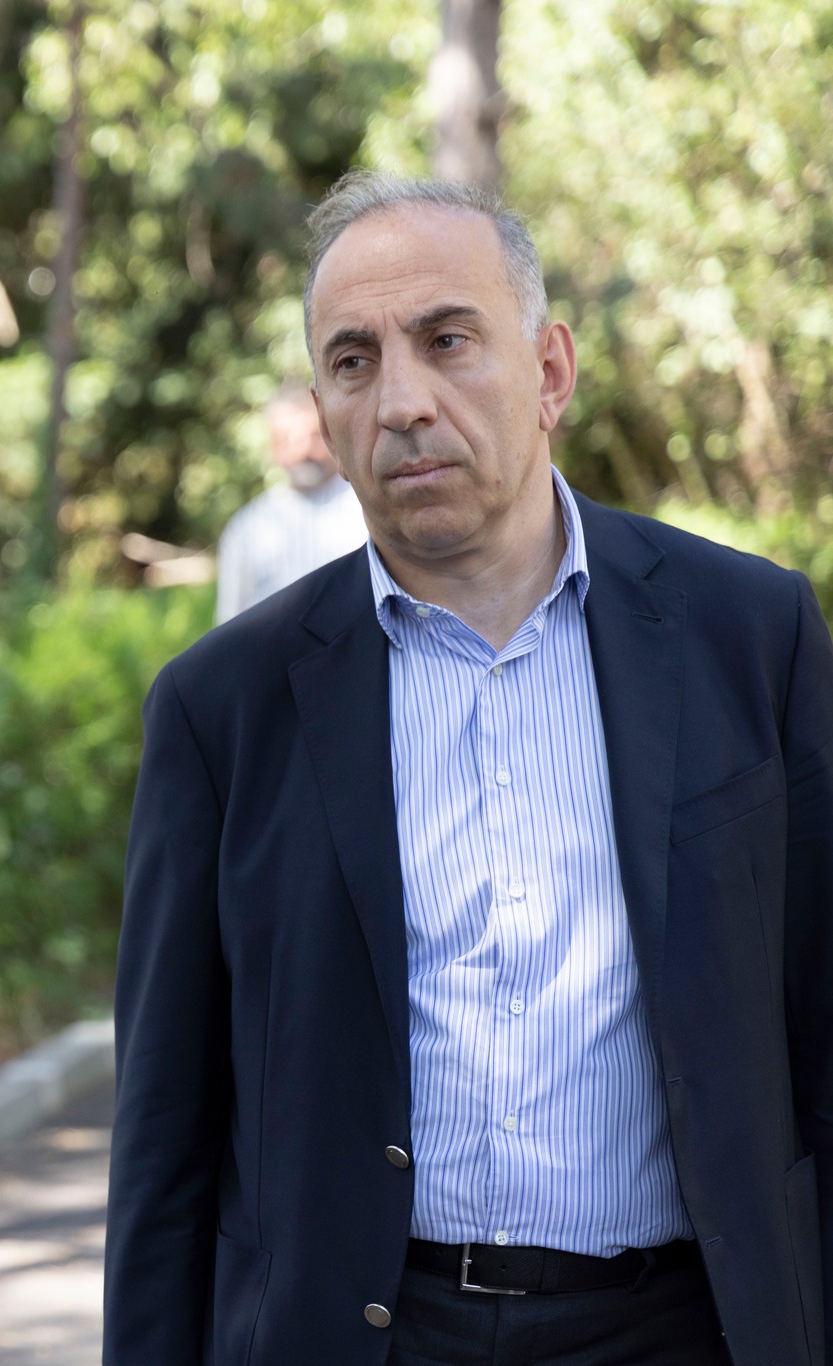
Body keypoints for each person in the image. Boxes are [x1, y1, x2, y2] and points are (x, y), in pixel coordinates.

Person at [104, 170, 833, 1366]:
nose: (401, 402)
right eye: (352, 362)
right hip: (364, 1336)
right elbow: (163, 1136)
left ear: (548, 371)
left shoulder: (748, 636)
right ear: (322, 412)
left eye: (446, 340)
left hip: (681, 1327)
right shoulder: (220, 708)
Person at [214, 383, 368, 622]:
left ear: (330, 435)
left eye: (313, 435)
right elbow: (230, 622)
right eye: (287, 439)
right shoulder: (247, 528)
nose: (303, 449)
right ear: (272, 448)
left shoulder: (368, 508)